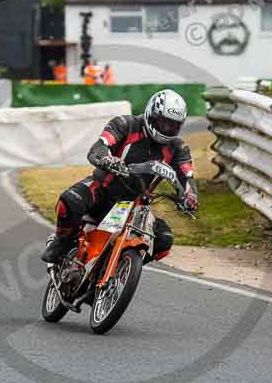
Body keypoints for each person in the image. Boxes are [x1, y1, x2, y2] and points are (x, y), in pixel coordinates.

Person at [41, 89, 198, 264]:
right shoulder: (125, 124)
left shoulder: (179, 148)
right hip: (103, 189)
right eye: (164, 123)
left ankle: (122, 266)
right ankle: (62, 242)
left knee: (164, 239)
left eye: (174, 125)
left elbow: (187, 177)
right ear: (152, 115)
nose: (168, 129)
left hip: (137, 205)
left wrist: (190, 197)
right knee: (70, 200)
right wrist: (108, 159)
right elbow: (99, 147)